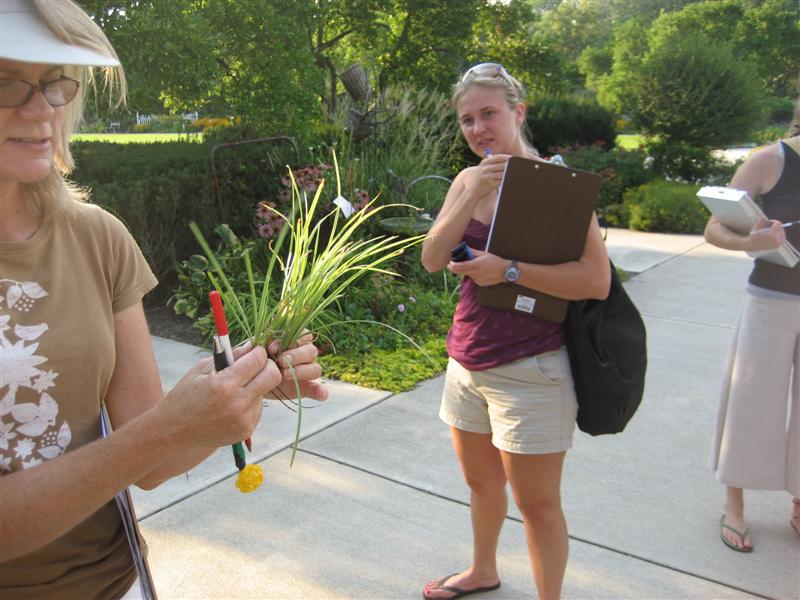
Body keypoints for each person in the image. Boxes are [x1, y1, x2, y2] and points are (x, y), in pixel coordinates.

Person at [0, 1, 327, 597]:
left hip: (112, 582)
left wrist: (231, 393)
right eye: (5, 82)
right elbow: (143, 445)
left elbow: (147, 463)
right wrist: (162, 431)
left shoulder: (97, 237)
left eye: (54, 83)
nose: (40, 108)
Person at [420, 63, 610, 600]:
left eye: (489, 114)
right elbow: (432, 259)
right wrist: (467, 193)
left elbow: (595, 282)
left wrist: (507, 270)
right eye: (467, 120)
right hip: (467, 362)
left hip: (531, 371)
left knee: (538, 507)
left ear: (517, 112)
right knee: (480, 484)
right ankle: (483, 570)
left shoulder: (559, 186)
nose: (479, 128)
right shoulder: (466, 180)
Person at [706, 99, 800, 552]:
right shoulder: (772, 159)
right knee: (751, 402)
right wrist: (751, 239)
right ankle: (734, 505)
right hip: (772, 300)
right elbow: (714, 229)